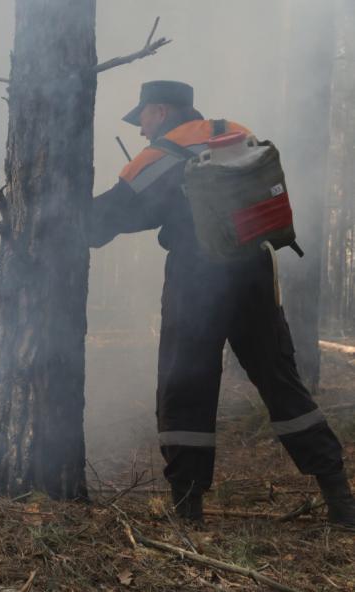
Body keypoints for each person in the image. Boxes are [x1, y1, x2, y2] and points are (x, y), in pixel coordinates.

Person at [89, 80, 355, 526]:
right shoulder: (234, 134)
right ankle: (339, 494)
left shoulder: (158, 157)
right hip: (254, 270)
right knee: (280, 380)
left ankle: (187, 508)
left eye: (143, 119)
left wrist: (55, 216)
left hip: (197, 277)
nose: (140, 130)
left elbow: (106, 220)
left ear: (160, 110)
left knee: (185, 385)